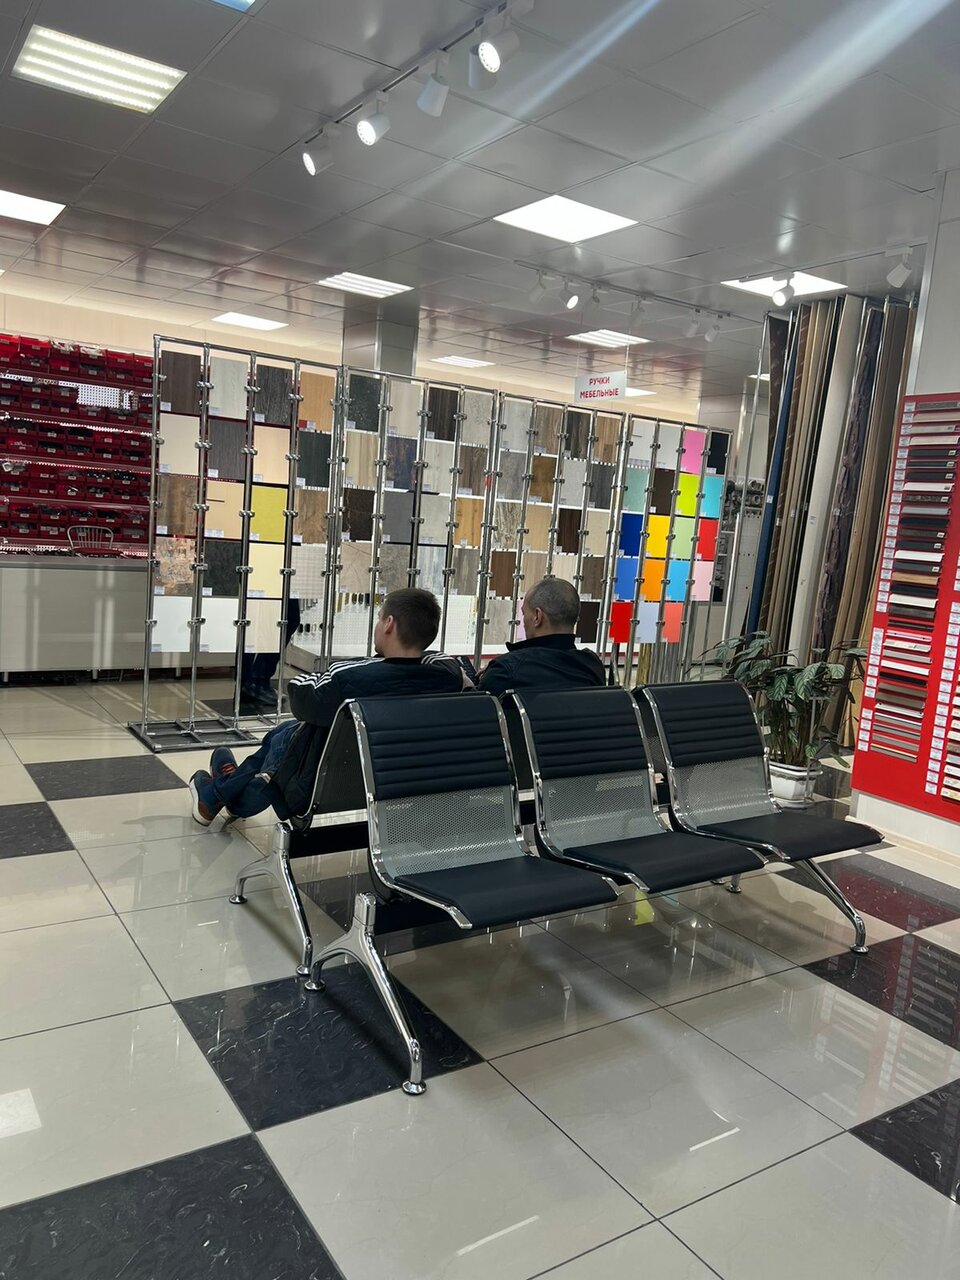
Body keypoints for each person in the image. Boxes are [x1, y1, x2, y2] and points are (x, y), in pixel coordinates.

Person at [189, 588, 472, 825]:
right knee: (287, 732)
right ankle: (226, 784)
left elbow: (300, 694)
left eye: (379, 618)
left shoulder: (349, 677)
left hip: (321, 782)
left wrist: (368, 663)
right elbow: (445, 662)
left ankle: (217, 794)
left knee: (289, 735)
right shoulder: (445, 676)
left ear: (389, 624)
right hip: (395, 783)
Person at [477, 577, 605, 695]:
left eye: (524, 613)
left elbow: (480, 707)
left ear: (537, 616)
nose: (523, 620)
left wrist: (470, 683)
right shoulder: (593, 666)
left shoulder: (506, 670)